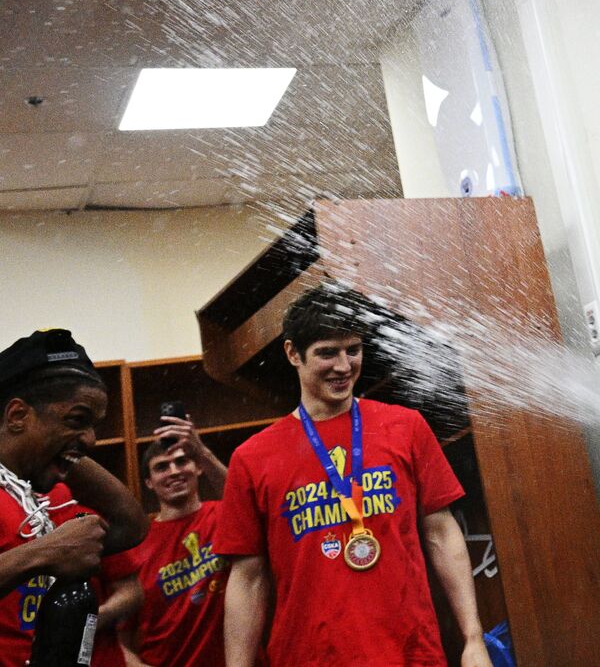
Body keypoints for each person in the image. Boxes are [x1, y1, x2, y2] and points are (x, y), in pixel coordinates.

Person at [214, 283, 491, 667]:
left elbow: (442, 533)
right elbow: (247, 579)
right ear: (293, 353)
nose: (344, 367)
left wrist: (472, 639)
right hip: (309, 658)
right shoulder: (252, 458)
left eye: (353, 350)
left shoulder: (406, 427)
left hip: (411, 654)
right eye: (327, 353)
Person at [0, 329, 148, 662]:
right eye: (77, 419)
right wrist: (44, 552)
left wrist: (63, 447)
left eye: (94, 425)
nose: (93, 440)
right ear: (18, 415)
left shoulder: (30, 489)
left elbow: (131, 523)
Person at [122, 414, 230, 666]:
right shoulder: (137, 547)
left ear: (198, 468)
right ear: (148, 482)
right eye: (161, 466)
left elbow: (246, 503)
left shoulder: (223, 516)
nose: (174, 471)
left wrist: (202, 451)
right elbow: (120, 640)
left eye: (182, 461)